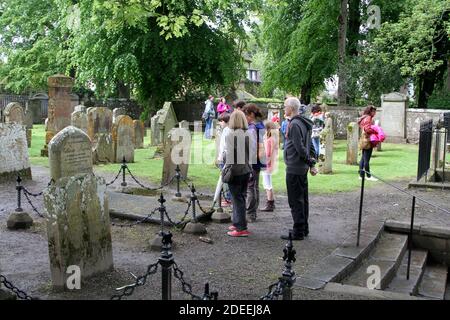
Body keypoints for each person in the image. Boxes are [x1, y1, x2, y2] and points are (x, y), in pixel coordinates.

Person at [282, 97, 317, 240]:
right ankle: (303, 228)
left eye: (285, 106)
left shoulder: (295, 124)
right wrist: (312, 163)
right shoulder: (304, 123)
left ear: (291, 108)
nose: (284, 109)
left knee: (295, 200)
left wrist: (310, 162)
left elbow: (300, 148)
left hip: (295, 168)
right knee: (302, 199)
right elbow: (310, 146)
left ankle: (298, 232)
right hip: (300, 167)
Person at [225, 110, 252, 237]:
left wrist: (225, 168)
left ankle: (241, 228)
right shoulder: (248, 134)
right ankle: (237, 223)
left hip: (235, 171)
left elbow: (229, 156)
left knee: (237, 199)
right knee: (240, 197)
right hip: (246, 170)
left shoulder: (231, 135)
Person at [242, 103, 266, 222]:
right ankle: (253, 212)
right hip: (257, 160)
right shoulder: (260, 125)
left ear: (251, 114)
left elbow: (257, 147)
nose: (245, 118)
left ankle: (250, 213)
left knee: (250, 187)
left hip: (253, 160)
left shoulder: (254, 127)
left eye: (246, 115)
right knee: (255, 187)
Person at [260, 121, 279, 212]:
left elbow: (267, 153)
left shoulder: (269, 139)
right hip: (270, 163)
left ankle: (270, 203)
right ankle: (271, 202)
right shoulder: (273, 138)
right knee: (268, 182)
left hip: (267, 163)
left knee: (267, 184)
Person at [358, 105, 378, 181]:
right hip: (368, 140)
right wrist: (375, 130)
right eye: (374, 111)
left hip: (363, 139)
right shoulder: (368, 118)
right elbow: (367, 129)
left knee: (363, 158)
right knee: (366, 159)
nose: (375, 113)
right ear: (370, 111)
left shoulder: (363, 117)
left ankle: (361, 175)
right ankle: (369, 176)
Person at [217, 112, 232, 206]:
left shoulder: (227, 130)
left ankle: (227, 198)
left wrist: (220, 157)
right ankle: (228, 198)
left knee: (226, 179)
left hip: (225, 157)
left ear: (225, 121)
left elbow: (224, 145)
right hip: (228, 156)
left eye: (221, 121)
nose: (220, 123)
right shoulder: (230, 129)